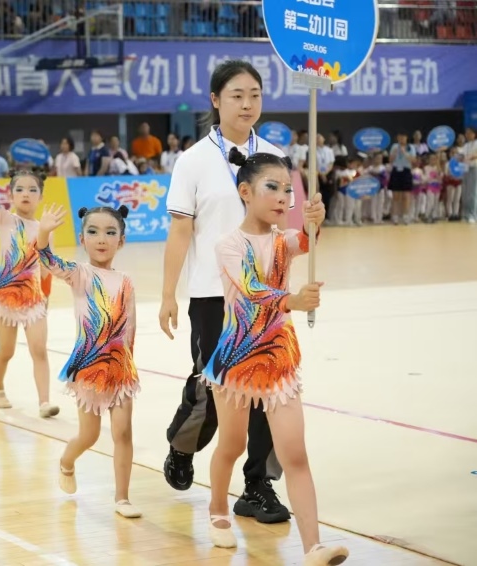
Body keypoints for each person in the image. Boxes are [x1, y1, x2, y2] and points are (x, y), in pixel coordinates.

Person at [158, 59, 292, 525]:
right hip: (211, 295)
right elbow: (179, 231)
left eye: (254, 94)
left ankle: (258, 485)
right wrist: (168, 294)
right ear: (216, 100)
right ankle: (183, 444)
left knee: (265, 390)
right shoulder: (193, 160)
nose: (247, 103)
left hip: (263, 299)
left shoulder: (275, 157)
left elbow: (283, 226)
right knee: (211, 386)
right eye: (237, 95)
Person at [204, 147, 348, 565]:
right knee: (231, 445)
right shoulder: (227, 244)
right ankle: (217, 511)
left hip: (279, 362)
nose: (283, 196)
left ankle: (313, 547)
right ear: (245, 191)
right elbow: (251, 289)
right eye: (273, 187)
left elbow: (305, 240)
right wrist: (292, 301)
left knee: (295, 454)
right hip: (236, 359)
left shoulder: (283, 241)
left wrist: (314, 223)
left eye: (288, 189)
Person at [37, 204, 141, 519]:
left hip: (120, 370)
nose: (102, 239)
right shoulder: (80, 274)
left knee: (123, 432)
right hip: (89, 367)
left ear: (121, 241)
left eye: (111, 232)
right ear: (82, 238)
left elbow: (130, 327)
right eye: (93, 231)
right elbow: (47, 259)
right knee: (90, 435)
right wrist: (44, 232)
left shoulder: (126, 280)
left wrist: (129, 366)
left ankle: (122, 497)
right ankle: (67, 462)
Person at [0, 154, 59, 418]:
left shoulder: (45, 229)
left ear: (41, 196)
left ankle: (44, 402)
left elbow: (47, 265)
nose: (26, 194)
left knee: (39, 349)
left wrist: (46, 297)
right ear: (11, 195)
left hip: (33, 299)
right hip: (6, 298)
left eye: (32, 189)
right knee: (6, 351)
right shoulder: (4, 219)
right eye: (19, 189)